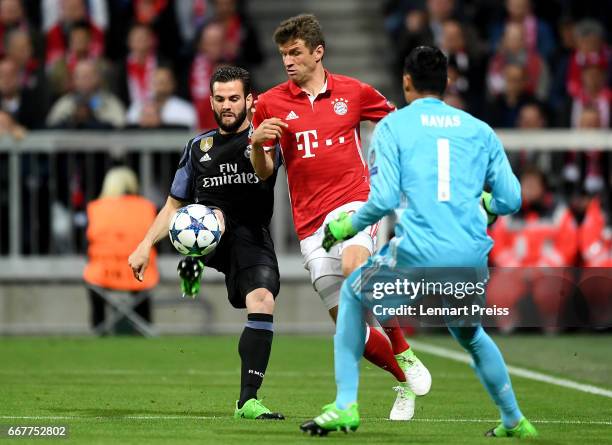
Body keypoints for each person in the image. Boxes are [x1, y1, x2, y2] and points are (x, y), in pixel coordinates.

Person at [301, 46, 537, 438]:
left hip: (419, 251)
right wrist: (487, 204)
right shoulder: (479, 130)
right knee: (471, 333)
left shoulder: (394, 127)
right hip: (468, 255)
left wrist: (345, 228)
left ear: (406, 82)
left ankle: (345, 405)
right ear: (446, 83)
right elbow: (511, 199)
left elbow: (383, 199)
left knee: (353, 297)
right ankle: (514, 419)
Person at [249, 13, 430, 421]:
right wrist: (258, 145)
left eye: (295, 53)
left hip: (354, 204)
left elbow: (396, 123)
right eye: (283, 55)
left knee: (355, 266)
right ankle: (403, 378)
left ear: (318, 51)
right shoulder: (269, 103)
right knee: (353, 330)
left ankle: (402, 346)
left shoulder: (354, 92)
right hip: (310, 224)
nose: (288, 61)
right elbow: (264, 173)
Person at [128, 65, 284, 421]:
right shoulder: (198, 147)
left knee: (263, 300)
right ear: (211, 101)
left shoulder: (263, 139)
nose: (226, 105)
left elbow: (263, 172)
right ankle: (193, 256)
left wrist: (258, 143)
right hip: (207, 228)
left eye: (233, 98)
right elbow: (172, 205)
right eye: (219, 99)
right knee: (206, 218)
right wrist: (144, 245)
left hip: (251, 236)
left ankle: (247, 402)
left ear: (249, 100)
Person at [83, 166, 157, 333]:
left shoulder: (96, 208)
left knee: (92, 281)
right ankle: (143, 327)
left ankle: (98, 328)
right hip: (139, 272)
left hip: (103, 273)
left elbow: (87, 243)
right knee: (141, 291)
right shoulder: (147, 208)